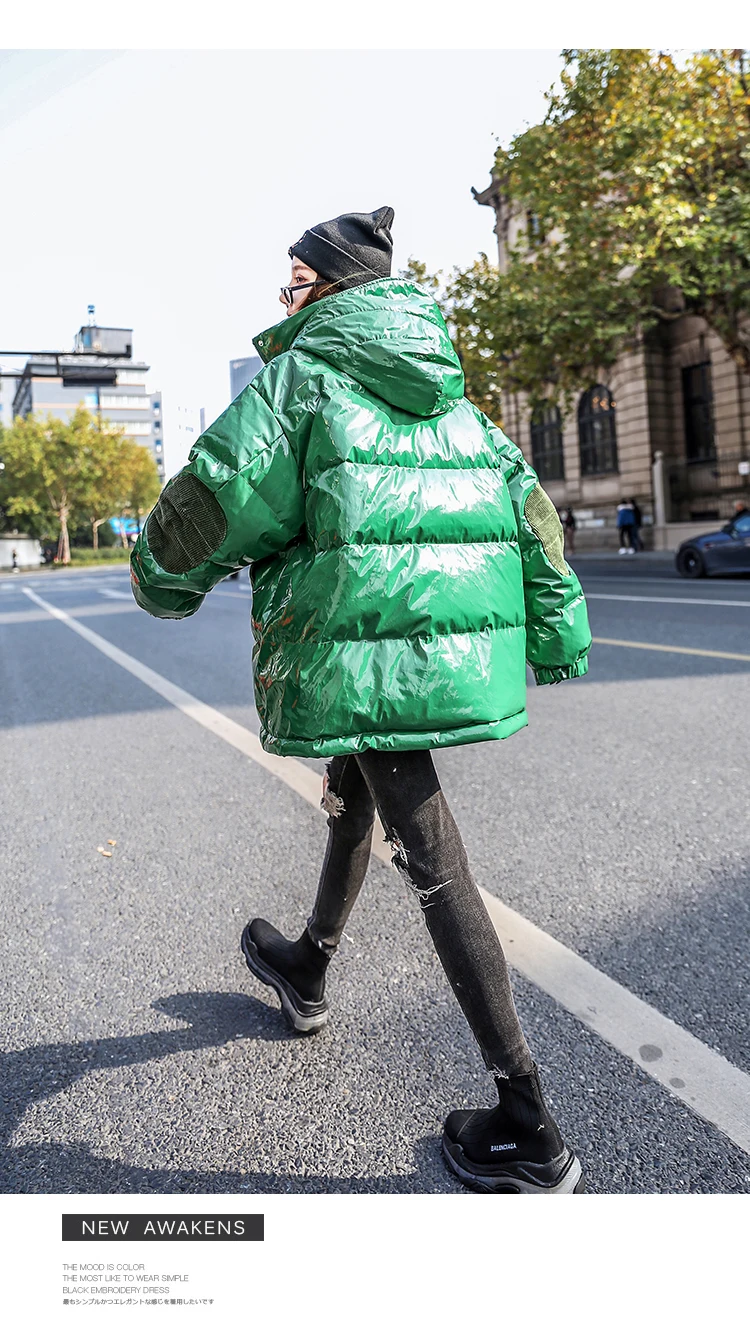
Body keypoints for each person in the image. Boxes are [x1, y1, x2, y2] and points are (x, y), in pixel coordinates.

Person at [130, 207, 592, 1195]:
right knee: (358, 782)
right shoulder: (451, 390)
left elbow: (224, 483)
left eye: (293, 282)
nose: (284, 298)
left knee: (431, 851)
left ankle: (528, 1121)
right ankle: (307, 964)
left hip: (358, 640)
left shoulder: (306, 373)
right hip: (412, 644)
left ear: (332, 288)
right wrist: (559, 627)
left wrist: (158, 575)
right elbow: (528, 509)